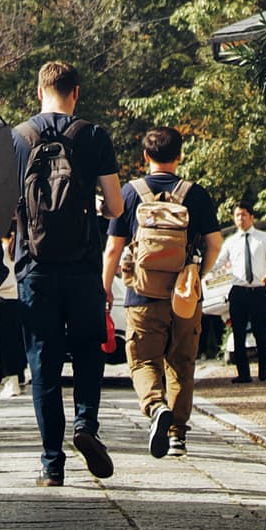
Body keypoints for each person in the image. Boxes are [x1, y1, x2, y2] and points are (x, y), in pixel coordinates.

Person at [10, 61, 118, 485]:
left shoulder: (16, 138)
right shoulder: (92, 135)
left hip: (33, 267)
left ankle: (51, 464)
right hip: (83, 264)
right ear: (75, 92)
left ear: (40, 92)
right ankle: (86, 426)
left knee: (44, 361)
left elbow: (3, 206)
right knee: (89, 350)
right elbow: (116, 206)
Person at [102, 124, 222, 458]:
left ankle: (155, 406)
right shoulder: (195, 194)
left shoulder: (130, 193)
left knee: (142, 360)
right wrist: (196, 275)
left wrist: (105, 288)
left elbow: (113, 249)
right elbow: (214, 243)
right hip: (184, 296)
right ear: (180, 156)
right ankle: (177, 436)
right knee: (181, 362)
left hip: (142, 295)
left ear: (145, 156)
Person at [216, 199, 266, 381]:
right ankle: (243, 374)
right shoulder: (230, 242)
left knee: (260, 332)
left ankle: (263, 370)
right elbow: (218, 263)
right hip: (238, 290)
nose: (241, 219)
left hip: (257, 290)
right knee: (238, 333)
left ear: (251, 217)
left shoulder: (263, 238)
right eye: (237, 215)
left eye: (244, 215)